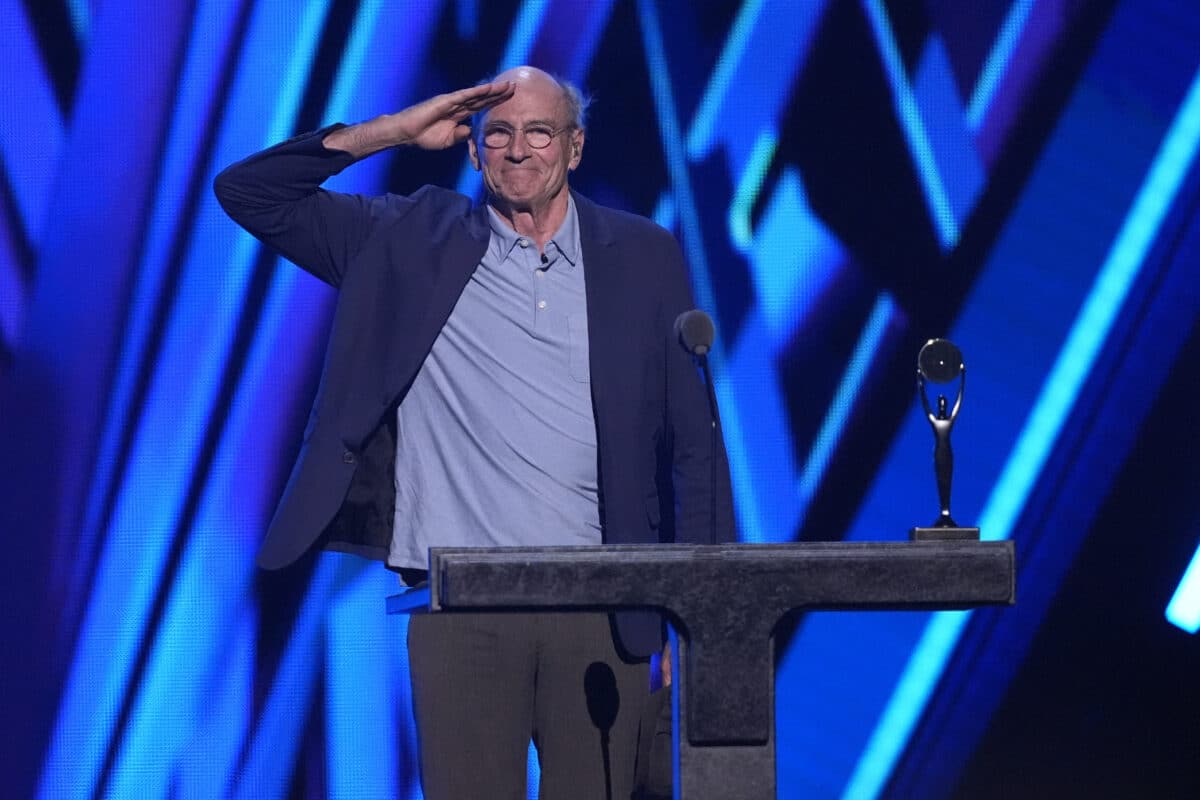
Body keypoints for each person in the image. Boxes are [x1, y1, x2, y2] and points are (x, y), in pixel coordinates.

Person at [214, 65, 734, 800]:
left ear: (575, 148)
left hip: (603, 606)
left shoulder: (644, 254)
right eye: (500, 134)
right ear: (473, 149)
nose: (519, 151)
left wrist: (701, 610)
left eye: (539, 133)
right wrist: (393, 129)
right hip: (462, 611)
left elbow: (693, 445)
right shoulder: (405, 240)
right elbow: (249, 193)